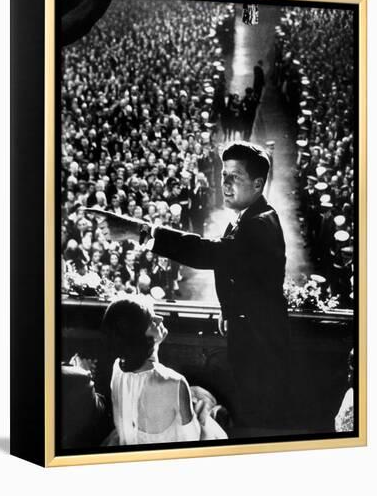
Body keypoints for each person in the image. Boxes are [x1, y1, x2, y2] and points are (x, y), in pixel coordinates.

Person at [90, 142, 291, 435]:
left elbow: (207, 254)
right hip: (250, 333)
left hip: (261, 347)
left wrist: (138, 230)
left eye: (235, 177)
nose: (225, 184)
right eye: (224, 176)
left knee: (257, 417)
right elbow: (235, 268)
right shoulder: (246, 218)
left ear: (258, 184)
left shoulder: (259, 224)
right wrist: (229, 310)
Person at [101, 296, 227, 445]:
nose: (160, 319)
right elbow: (191, 438)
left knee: (198, 395)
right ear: (140, 338)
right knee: (210, 407)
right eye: (151, 321)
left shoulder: (118, 368)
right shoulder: (175, 382)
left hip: (130, 442)